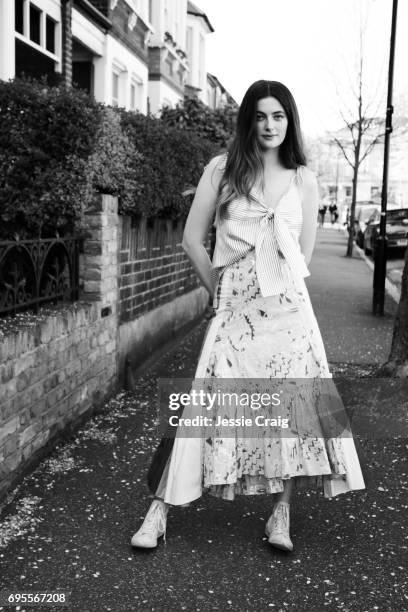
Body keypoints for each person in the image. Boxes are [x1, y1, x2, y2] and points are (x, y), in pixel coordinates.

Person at [131, 80, 365, 553]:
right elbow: (193, 240)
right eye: (260, 116)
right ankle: (158, 509)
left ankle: (281, 513)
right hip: (235, 309)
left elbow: (302, 256)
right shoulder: (222, 170)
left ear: (290, 120)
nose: (269, 125)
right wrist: (218, 290)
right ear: (248, 121)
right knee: (202, 405)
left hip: (290, 314)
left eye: (278, 115)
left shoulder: (304, 178)